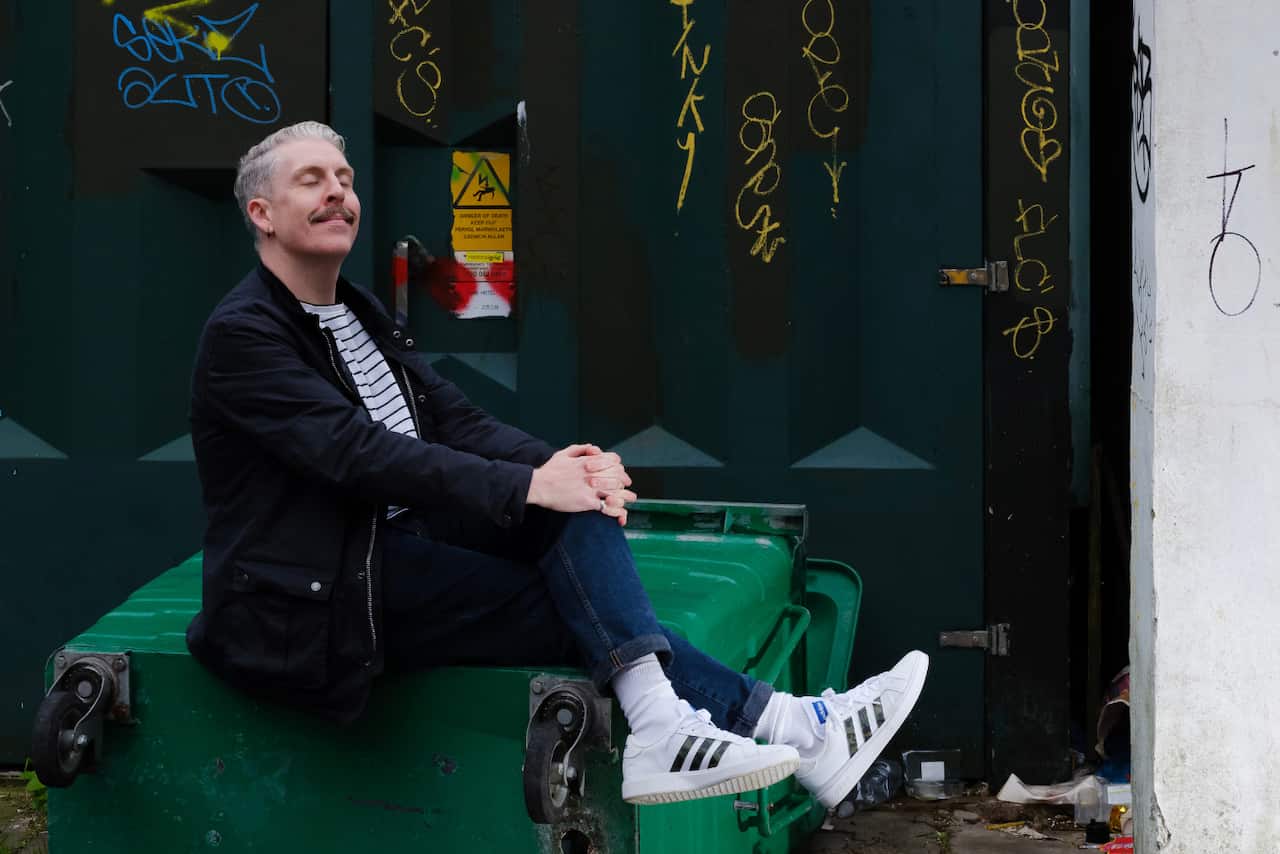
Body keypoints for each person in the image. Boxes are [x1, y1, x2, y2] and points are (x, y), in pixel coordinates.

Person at [186, 120, 928, 807]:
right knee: (590, 611)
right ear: (262, 214)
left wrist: (563, 465)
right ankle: (790, 727)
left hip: (387, 551)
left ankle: (713, 729)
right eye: (312, 180)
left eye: (345, 178)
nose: (339, 193)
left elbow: (454, 419)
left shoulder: (357, 312)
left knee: (578, 516)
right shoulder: (244, 337)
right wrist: (529, 485)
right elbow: (359, 455)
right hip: (312, 594)